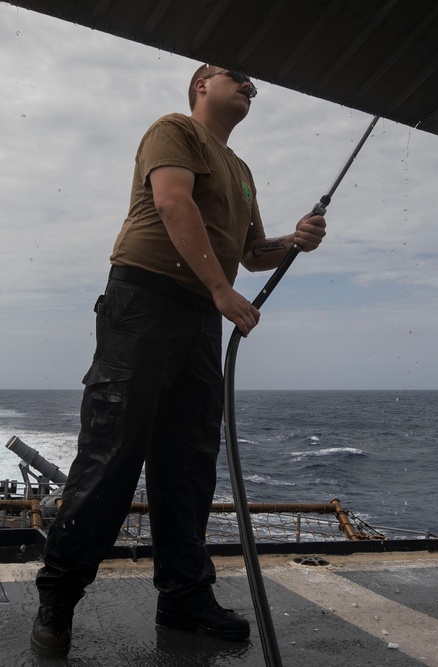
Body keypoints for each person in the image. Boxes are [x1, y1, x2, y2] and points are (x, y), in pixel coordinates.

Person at [30, 64, 327, 658]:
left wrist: (292, 242)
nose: (250, 86)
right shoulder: (173, 130)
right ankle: (57, 600)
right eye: (236, 77)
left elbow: (249, 254)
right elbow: (172, 203)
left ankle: (185, 599)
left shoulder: (240, 173)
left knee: (189, 466)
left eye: (254, 84)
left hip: (197, 318)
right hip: (142, 301)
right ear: (201, 85)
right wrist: (221, 293)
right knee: (112, 455)